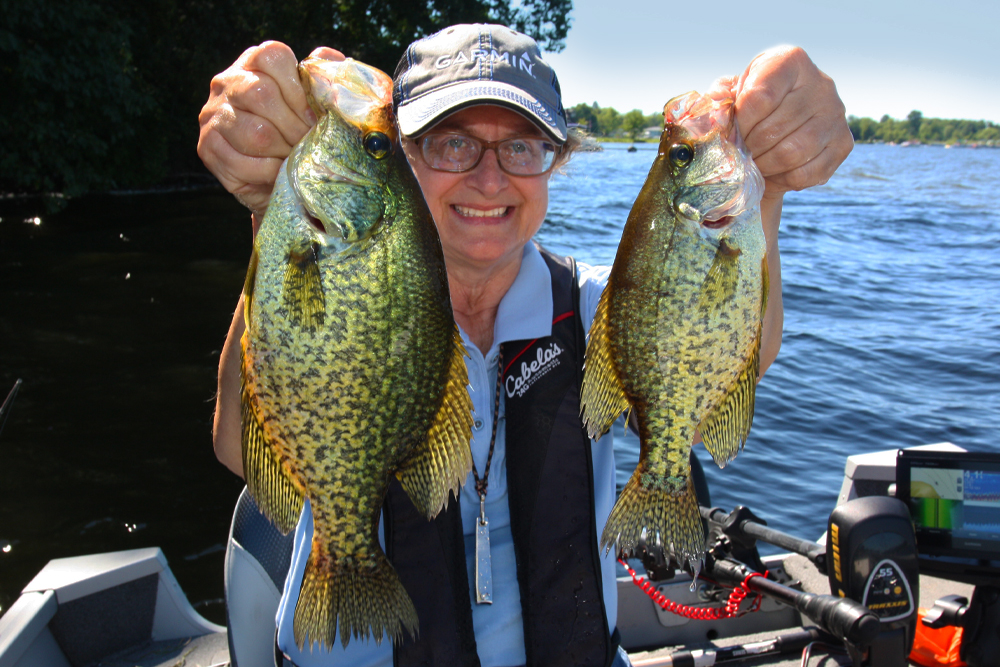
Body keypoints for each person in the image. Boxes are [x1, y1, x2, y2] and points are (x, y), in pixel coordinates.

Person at [198, 23, 852, 667]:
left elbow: (736, 360)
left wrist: (766, 189)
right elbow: (237, 446)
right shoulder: (343, 283)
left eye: (522, 147)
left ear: (555, 162)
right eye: (451, 144)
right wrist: (270, 221)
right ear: (403, 154)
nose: (488, 179)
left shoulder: (600, 306)